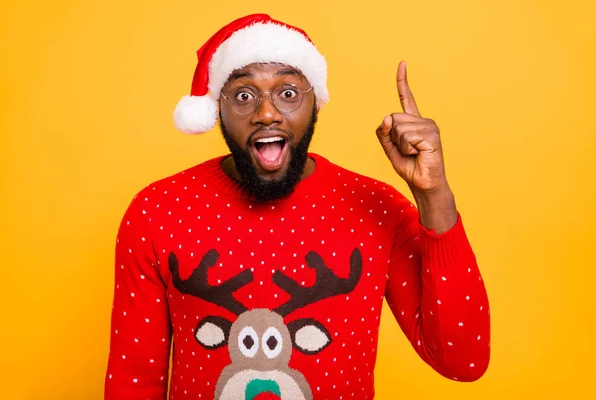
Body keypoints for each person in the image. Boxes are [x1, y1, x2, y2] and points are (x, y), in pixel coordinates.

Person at [104, 13, 490, 400]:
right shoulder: (157, 211)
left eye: (288, 92)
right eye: (243, 95)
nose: (267, 113)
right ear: (217, 108)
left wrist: (433, 193)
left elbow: (462, 361)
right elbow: (133, 381)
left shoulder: (378, 208)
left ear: (315, 103)